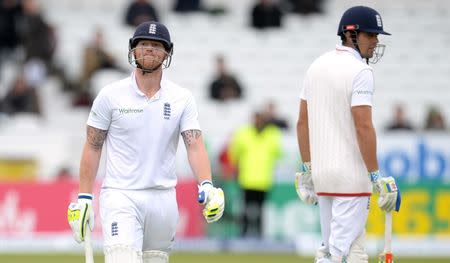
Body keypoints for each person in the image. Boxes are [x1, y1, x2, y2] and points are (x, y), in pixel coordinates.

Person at [67, 21, 225, 263]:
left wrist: (206, 185)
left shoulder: (182, 98)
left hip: (163, 200)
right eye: (143, 44)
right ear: (133, 50)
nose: (149, 49)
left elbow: (194, 144)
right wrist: (84, 197)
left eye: (156, 45)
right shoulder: (110, 95)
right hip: (122, 195)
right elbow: (93, 145)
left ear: (167, 53)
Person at [295, 6, 401, 263]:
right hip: (351, 179)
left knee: (355, 252)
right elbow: (363, 126)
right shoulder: (361, 72)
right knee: (333, 255)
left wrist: (309, 169)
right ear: (351, 34)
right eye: (371, 35)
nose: (376, 42)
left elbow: (302, 123)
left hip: (323, 177)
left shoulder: (316, 66)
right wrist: (376, 176)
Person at [229, 110, 281, 238]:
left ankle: (259, 235)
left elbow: (278, 153)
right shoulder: (244, 133)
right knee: (246, 209)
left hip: (263, 179)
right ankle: (244, 233)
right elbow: (234, 153)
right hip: (247, 178)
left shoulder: (272, 134)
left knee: (261, 210)